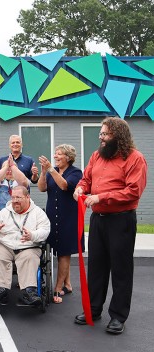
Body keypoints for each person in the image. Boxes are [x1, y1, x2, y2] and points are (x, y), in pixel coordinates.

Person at [73, 117, 147, 335]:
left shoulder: (135, 158)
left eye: (105, 134)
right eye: (101, 133)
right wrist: (80, 188)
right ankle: (94, 309)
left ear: (118, 135)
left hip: (121, 220)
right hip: (98, 220)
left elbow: (133, 191)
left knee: (121, 270)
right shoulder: (97, 156)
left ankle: (118, 316)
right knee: (96, 266)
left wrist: (100, 197)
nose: (101, 137)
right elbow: (86, 179)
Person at [0, 186, 51, 306]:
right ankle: (0, 289)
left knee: (30, 257)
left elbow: (45, 230)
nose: (15, 200)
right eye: (13, 197)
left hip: (28, 246)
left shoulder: (38, 213)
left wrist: (32, 235)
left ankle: (29, 291)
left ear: (27, 197)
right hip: (5, 245)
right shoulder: (5, 212)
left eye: (18, 197)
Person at [38, 144, 83, 304]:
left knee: (64, 252)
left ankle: (57, 287)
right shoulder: (51, 171)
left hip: (68, 217)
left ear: (68, 158)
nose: (55, 156)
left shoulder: (75, 172)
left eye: (59, 154)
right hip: (52, 215)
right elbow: (42, 188)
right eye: (55, 154)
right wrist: (44, 172)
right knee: (58, 250)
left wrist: (51, 169)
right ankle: (68, 285)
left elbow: (65, 186)